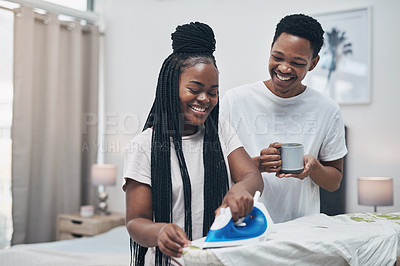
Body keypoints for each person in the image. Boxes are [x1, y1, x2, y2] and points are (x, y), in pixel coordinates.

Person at [123, 22, 263, 266]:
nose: (204, 99)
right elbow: (135, 221)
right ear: (170, 87)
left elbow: (251, 175)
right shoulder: (143, 146)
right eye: (195, 89)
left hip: (214, 258)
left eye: (212, 92)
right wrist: (159, 232)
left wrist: (241, 189)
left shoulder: (221, 131)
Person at [220, 14, 348, 223]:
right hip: (245, 225)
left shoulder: (327, 109)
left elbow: (334, 182)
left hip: (303, 229)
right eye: (277, 57)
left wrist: (313, 167)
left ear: (313, 63)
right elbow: (212, 169)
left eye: (297, 62)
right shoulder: (234, 101)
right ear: (270, 49)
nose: (284, 68)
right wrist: (254, 165)